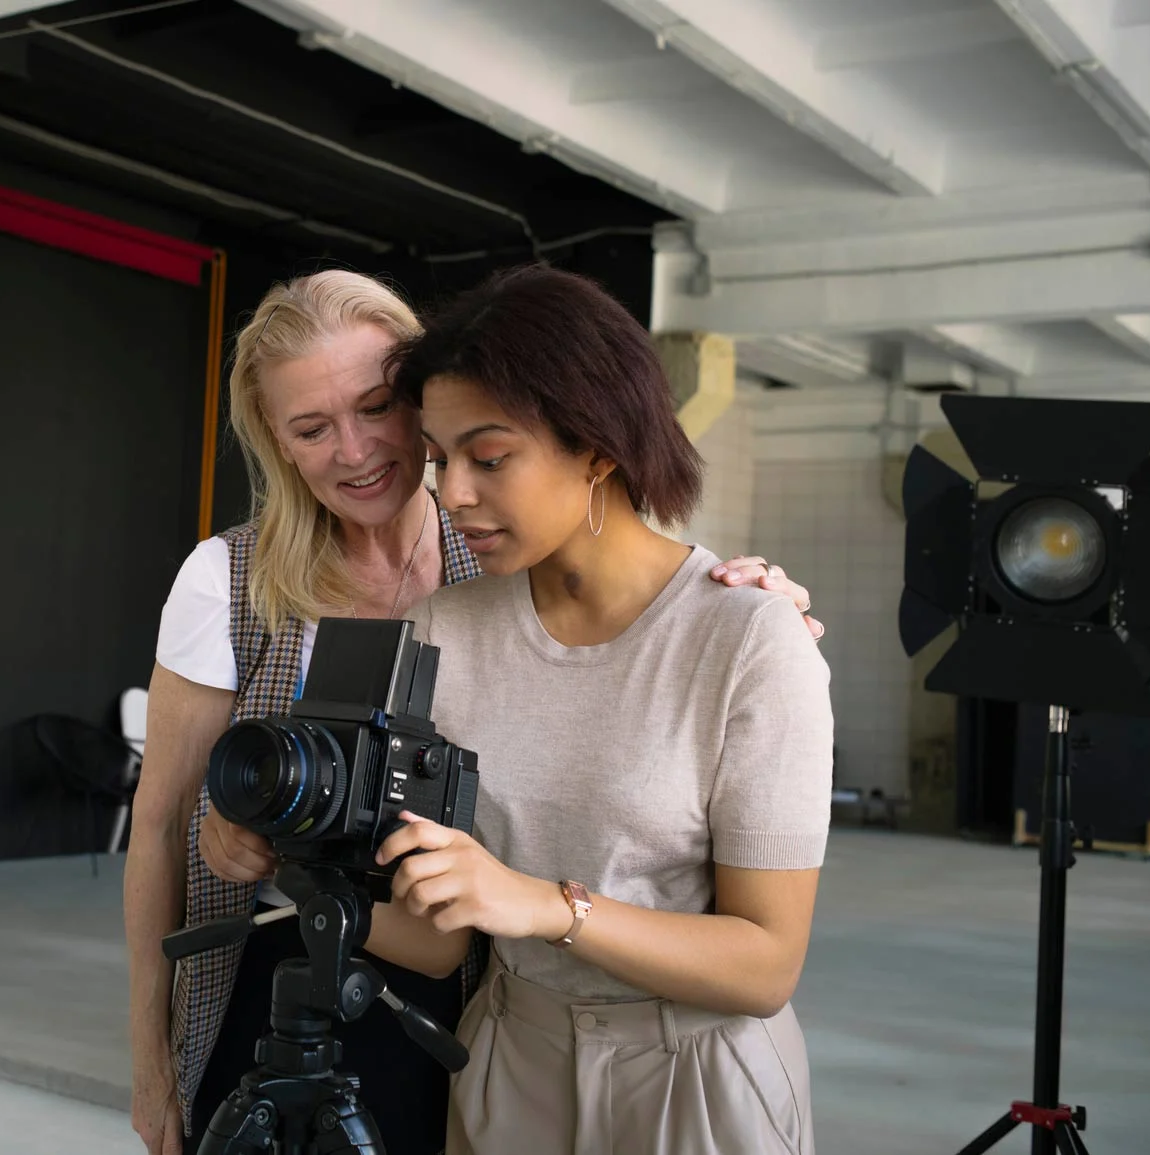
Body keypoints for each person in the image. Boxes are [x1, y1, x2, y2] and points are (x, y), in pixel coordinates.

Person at [125, 269, 822, 1155]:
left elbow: (762, 957)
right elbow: (170, 832)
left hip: (620, 1051)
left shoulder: (521, 566)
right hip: (450, 1022)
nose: (360, 450)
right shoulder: (383, 609)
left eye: (380, 408)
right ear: (277, 441)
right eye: (311, 427)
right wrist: (265, 853)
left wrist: (750, 617)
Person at [348, 263, 834, 1154]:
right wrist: (279, 862)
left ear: (599, 447)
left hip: (697, 1079)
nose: (451, 493)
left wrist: (546, 906)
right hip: (510, 1063)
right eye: (438, 460)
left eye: (489, 458)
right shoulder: (439, 629)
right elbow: (436, 942)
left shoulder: (747, 638)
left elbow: (767, 962)